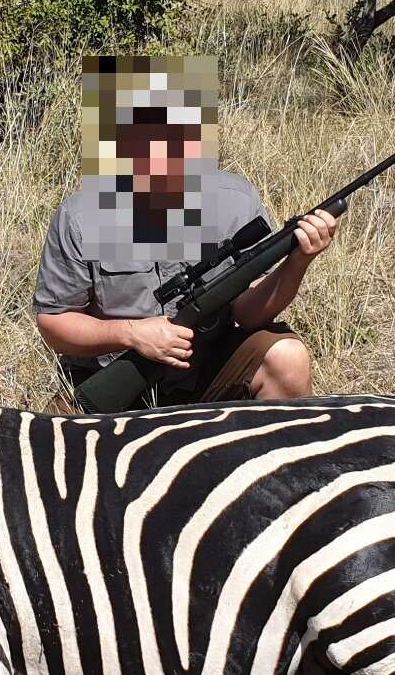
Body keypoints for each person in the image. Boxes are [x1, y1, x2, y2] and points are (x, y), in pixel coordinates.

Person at [33, 55, 337, 409]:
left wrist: (297, 261)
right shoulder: (80, 216)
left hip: (207, 372)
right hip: (114, 379)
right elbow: (53, 322)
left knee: (288, 357)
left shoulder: (234, 200)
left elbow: (249, 314)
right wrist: (132, 334)